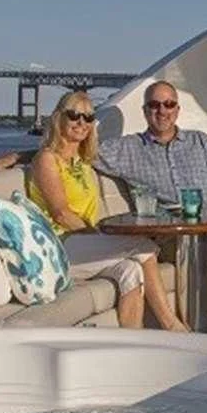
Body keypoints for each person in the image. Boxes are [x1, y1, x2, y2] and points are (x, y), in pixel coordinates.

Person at [0, 81, 207, 338]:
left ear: (177, 110)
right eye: (155, 105)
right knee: (203, 279)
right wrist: (16, 156)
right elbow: (61, 150)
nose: (162, 111)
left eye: (169, 104)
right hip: (171, 233)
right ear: (145, 111)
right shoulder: (127, 149)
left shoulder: (200, 143)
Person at [26, 90, 187, 333]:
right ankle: (172, 325)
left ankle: (131, 342)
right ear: (59, 118)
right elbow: (61, 214)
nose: (81, 122)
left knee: (131, 271)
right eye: (74, 115)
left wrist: (16, 155)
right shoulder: (47, 159)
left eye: (88, 117)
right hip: (59, 245)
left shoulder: (84, 159)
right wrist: (99, 235)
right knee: (143, 246)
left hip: (81, 242)